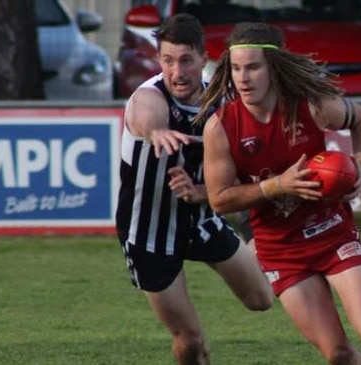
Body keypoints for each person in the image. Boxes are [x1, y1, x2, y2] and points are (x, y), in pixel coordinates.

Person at [197, 22, 361, 364]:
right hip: (280, 251)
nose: (243, 78)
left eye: (253, 67)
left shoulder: (312, 107)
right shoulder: (222, 127)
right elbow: (219, 199)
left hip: (331, 232)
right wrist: (278, 185)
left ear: (274, 68)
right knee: (338, 355)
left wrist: (360, 161)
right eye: (236, 68)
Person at [115, 14, 273, 365]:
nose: (177, 71)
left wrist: (203, 192)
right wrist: (157, 132)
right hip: (149, 234)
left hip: (202, 222)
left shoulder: (224, 102)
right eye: (167, 61)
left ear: (204, 58)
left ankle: (260, 237)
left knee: (262, 299)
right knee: (191, 340)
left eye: (186, 60)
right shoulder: (149, 97)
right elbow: (146, 116)